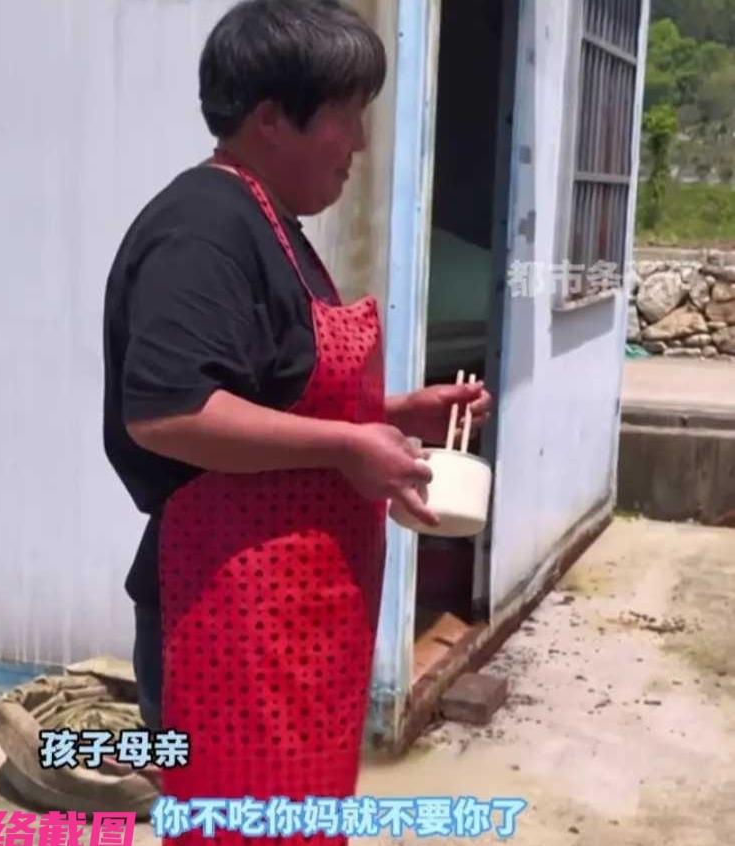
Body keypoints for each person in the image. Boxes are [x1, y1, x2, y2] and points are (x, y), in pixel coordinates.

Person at [102, 0, 491, 841]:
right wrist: (347, 445)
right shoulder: (203, 229)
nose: (359, 144)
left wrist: (394, 413)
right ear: (272, 118)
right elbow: (171, 412)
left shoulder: (270, 224)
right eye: (347, 116)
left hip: (286, 615)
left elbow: (270, 388)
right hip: (222, 613)